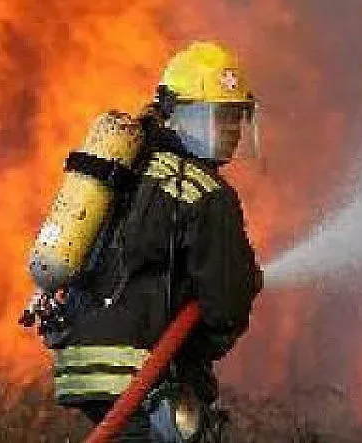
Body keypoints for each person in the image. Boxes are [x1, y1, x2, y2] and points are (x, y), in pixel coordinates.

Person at [44, 41, 264, 442]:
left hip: (79, 360)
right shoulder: (208, 194)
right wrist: (196, 361)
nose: (229, 132)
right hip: (137, 369)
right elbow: (227, 304)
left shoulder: (131, 168)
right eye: (217, 118)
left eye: (235, 119)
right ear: (179, 118)